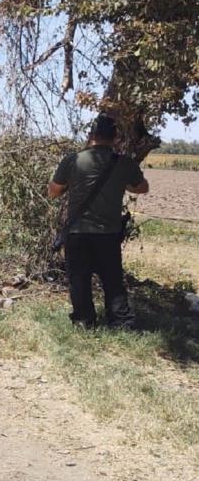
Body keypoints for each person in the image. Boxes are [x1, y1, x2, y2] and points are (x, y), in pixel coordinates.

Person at [47, 114, 150, 329]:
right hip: (109, 233)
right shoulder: (125, 164)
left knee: (79, 279)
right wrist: (124, 184)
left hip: (78, 232)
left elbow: (53, 192)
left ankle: (84, 321)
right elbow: (142, 188)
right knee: (113, 280)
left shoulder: (73, 160)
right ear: (115, 138)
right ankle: (121, 323)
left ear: (91, 135)